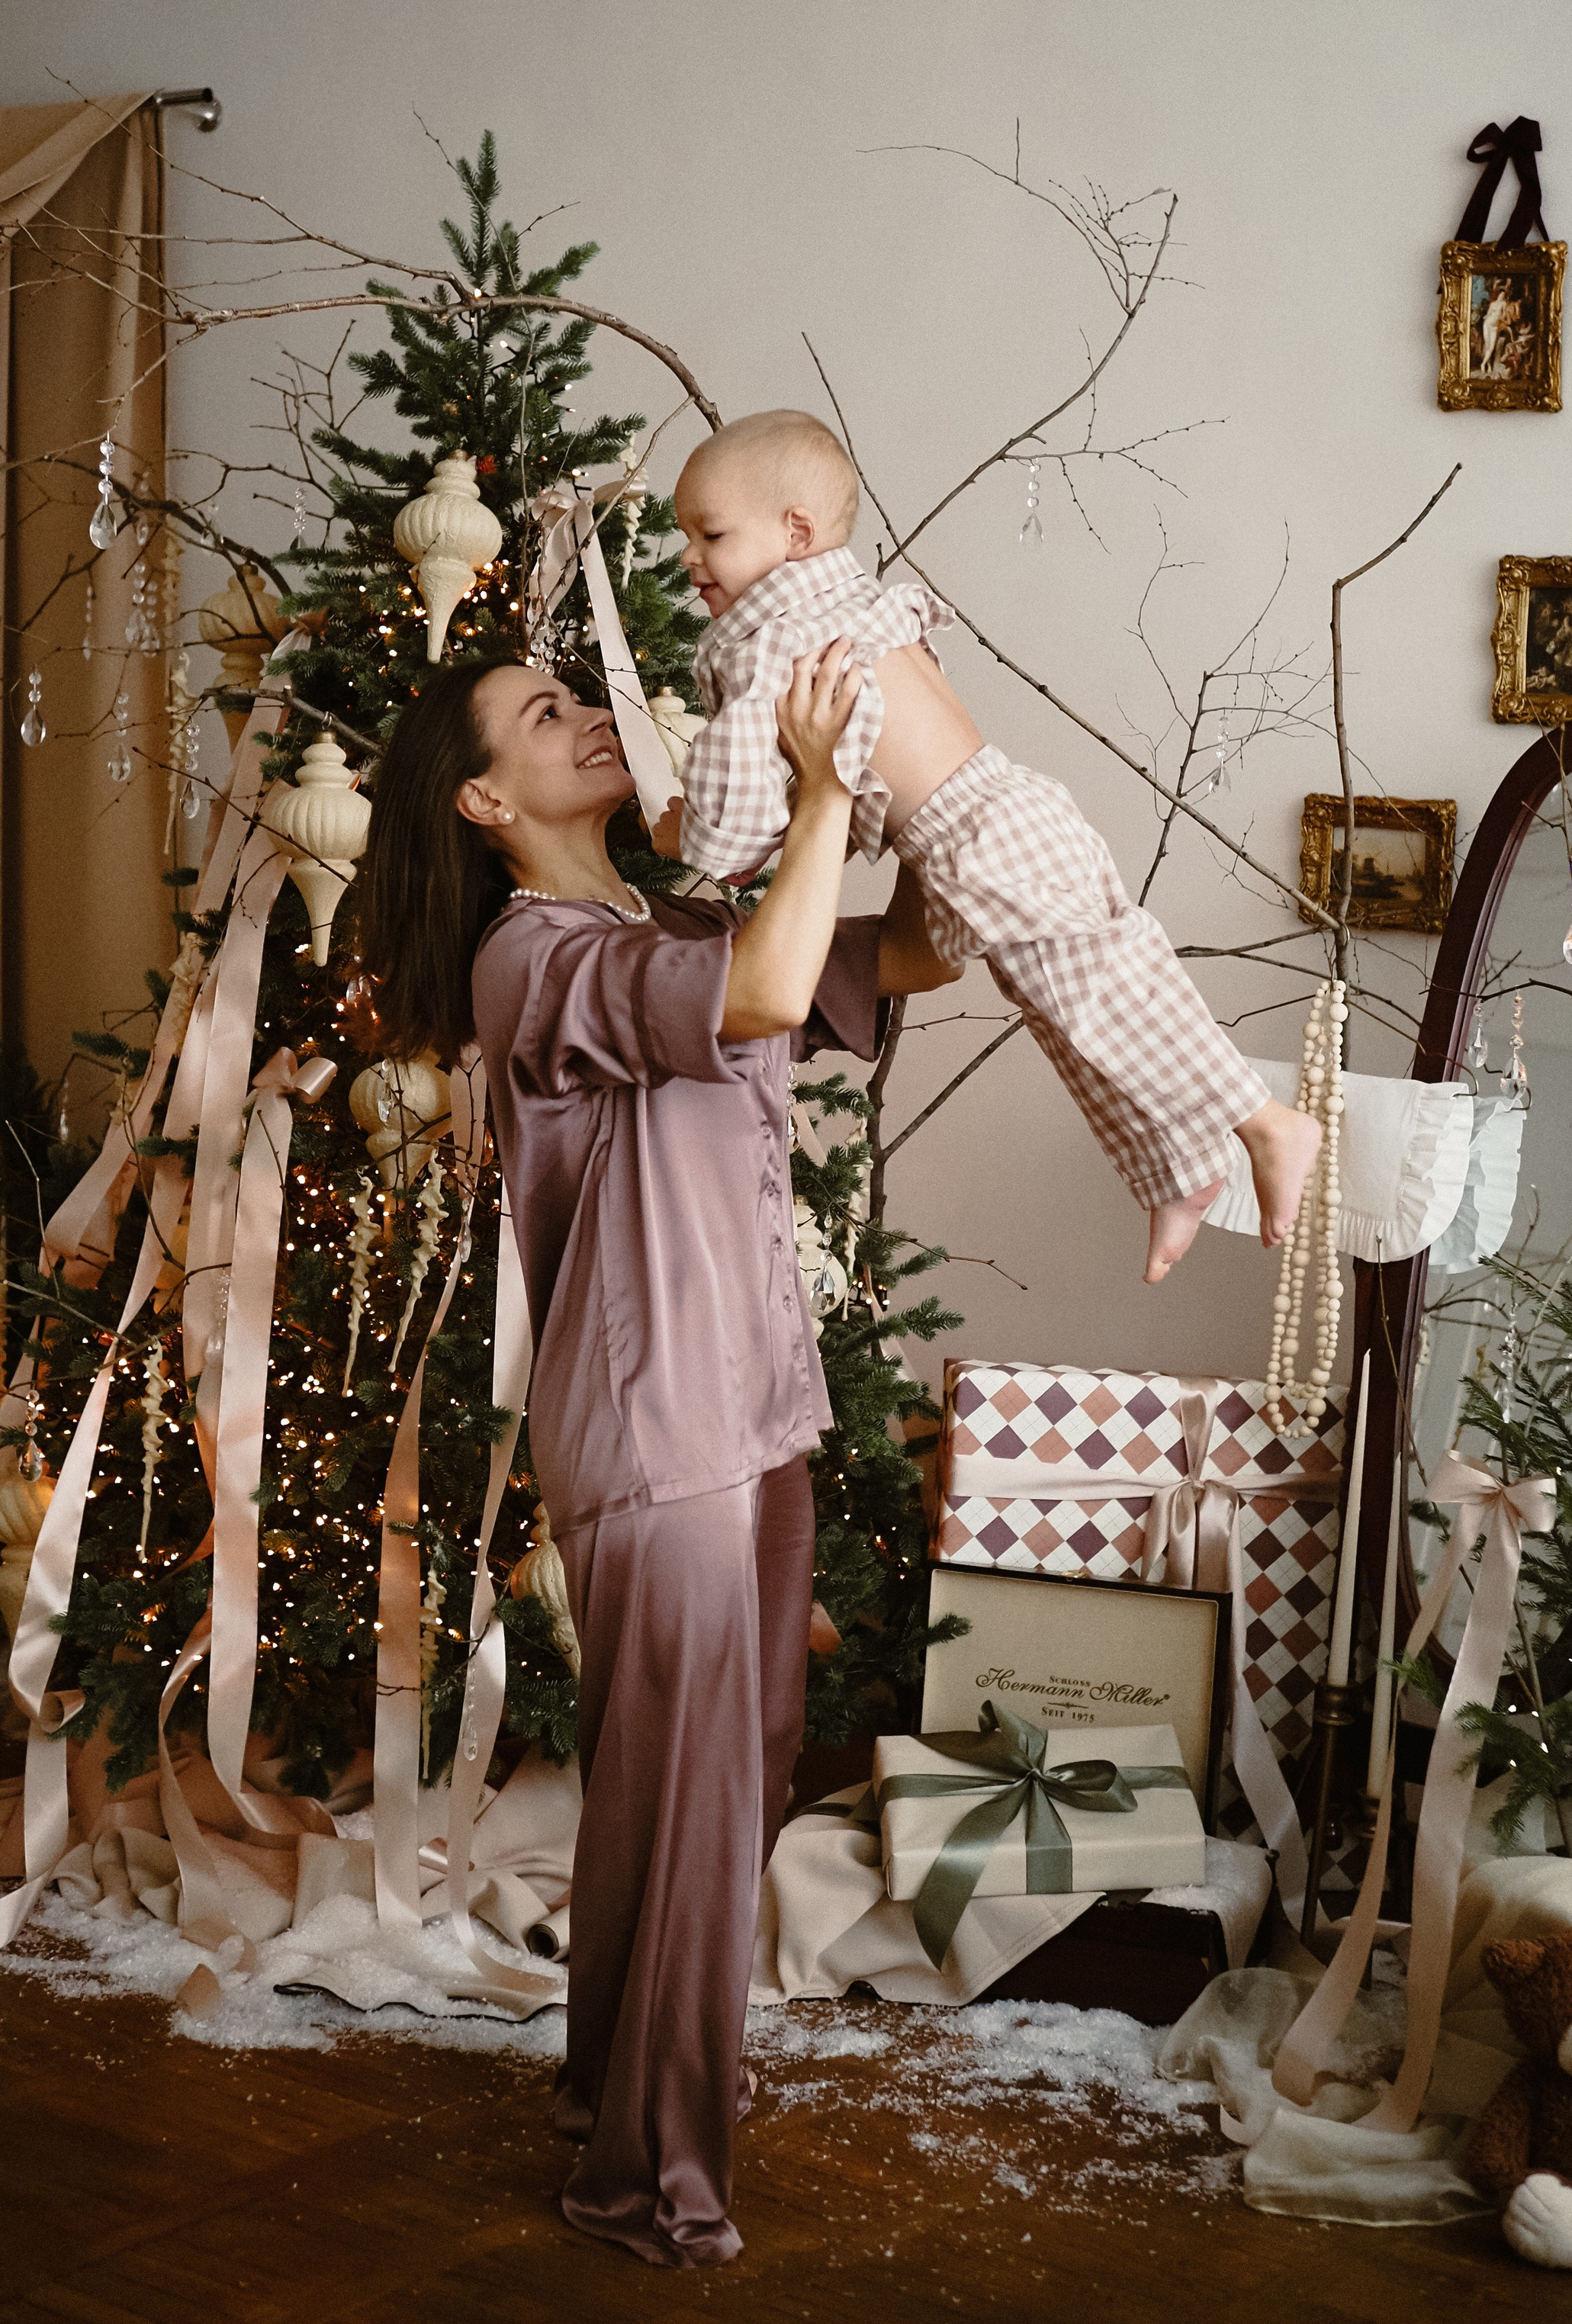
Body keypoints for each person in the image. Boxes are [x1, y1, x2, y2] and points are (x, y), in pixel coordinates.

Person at [358, 642, 960, 2269]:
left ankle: (607, 2092)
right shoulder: (529, 957)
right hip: (653, 1425)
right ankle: (651, 2184)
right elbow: (767, 994)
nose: (583, 715)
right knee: (694, 1797)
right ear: (487, 800)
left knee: (719, 1772)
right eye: (542, 715)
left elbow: (906, 945)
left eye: (576, 693)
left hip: (751, 1405)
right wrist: (821, 784)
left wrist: (933, 771)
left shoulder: (678, 921)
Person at [649, 408, 1322, 1284]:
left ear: (795, 533)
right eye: (683, 535)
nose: (689, 557)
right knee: (1064, 1001)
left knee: (1100, 983)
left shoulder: (772, 635)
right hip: (997, 813)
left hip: (978, 833)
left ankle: (1264, 1121)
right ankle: (1179, 1169)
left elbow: (736, 807)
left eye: (709, 533)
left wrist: (681, 832)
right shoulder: (848, 601)